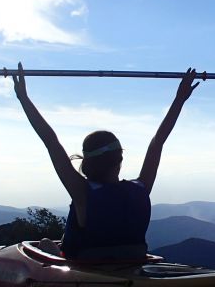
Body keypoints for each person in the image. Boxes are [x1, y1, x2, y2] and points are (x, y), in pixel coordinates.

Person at [11, 62, 200, 260]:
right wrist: (180, 99)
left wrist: (23, 98)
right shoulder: (140, 188)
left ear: (88, 161)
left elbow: (51, 141)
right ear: (120, 159)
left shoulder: (82, 193)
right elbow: (158, 142)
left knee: (44, 244)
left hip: (86, 266)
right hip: (133, 260)